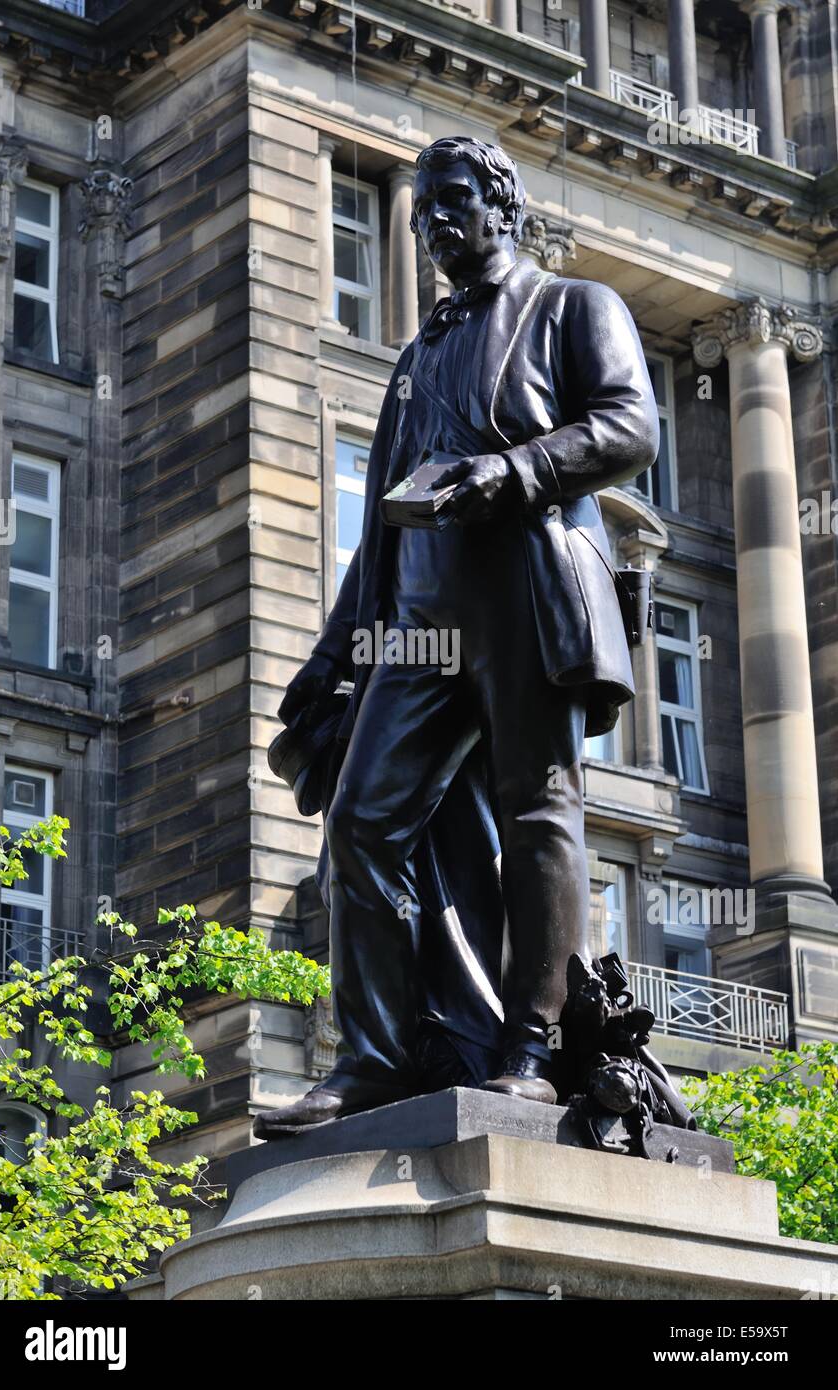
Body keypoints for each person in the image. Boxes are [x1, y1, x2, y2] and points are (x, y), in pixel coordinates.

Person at [255, 137, 659, 1136]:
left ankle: (529, 1047)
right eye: (419, 210)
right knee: (360, 821)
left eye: (449, 200)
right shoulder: (416, 357)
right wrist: (333, 655)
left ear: (500, 206)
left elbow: (627, 425)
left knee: (538, 815)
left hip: (523, 592)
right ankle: (375, 1056)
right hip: (420, 624)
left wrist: (511, 474)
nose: (431, 220)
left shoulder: (571, 308)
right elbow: (379, 532)